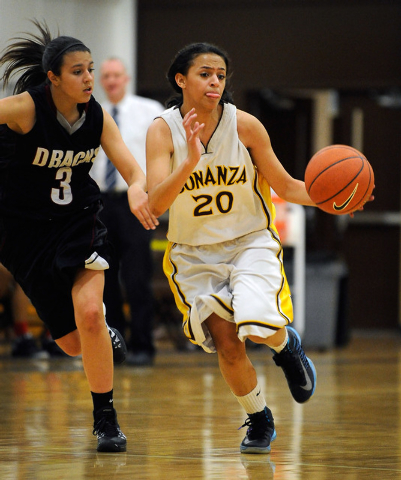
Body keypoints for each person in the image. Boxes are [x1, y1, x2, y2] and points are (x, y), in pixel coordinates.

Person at [145, 42, 320, 455]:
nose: (215, 82)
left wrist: (333, 198)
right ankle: (259, 418)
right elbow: (154, 204)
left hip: (248, 241)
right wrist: (186, 163)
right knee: (227, 342)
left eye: (221, 75)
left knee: (258, 324)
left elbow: (288, 186)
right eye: (205, 73)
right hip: (193, 251)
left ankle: (286, 346)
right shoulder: (161, 130)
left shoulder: (246, 126)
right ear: (181, 79)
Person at [0, 20, 158, 452]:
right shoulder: (23, 109)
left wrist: (139, 191)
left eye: (91, 69)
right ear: (53, 78)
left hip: (80, 221)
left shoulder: (97, 116)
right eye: (78, 71)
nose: (89, 78)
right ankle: (100, 337)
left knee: (90, 314)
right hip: (24, 233)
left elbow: (130, 168)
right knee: (72, 345)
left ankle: (105, 418)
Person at [90, 57, 164, 366]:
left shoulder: (149, 111)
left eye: (116, 75)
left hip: (135, 201)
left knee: (137, 276)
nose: (111, 81)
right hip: (100, 203)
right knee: (104, 276)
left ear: (127, 78)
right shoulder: (93, 111)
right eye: (105, 76)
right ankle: (115, 344)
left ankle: (143, 344)